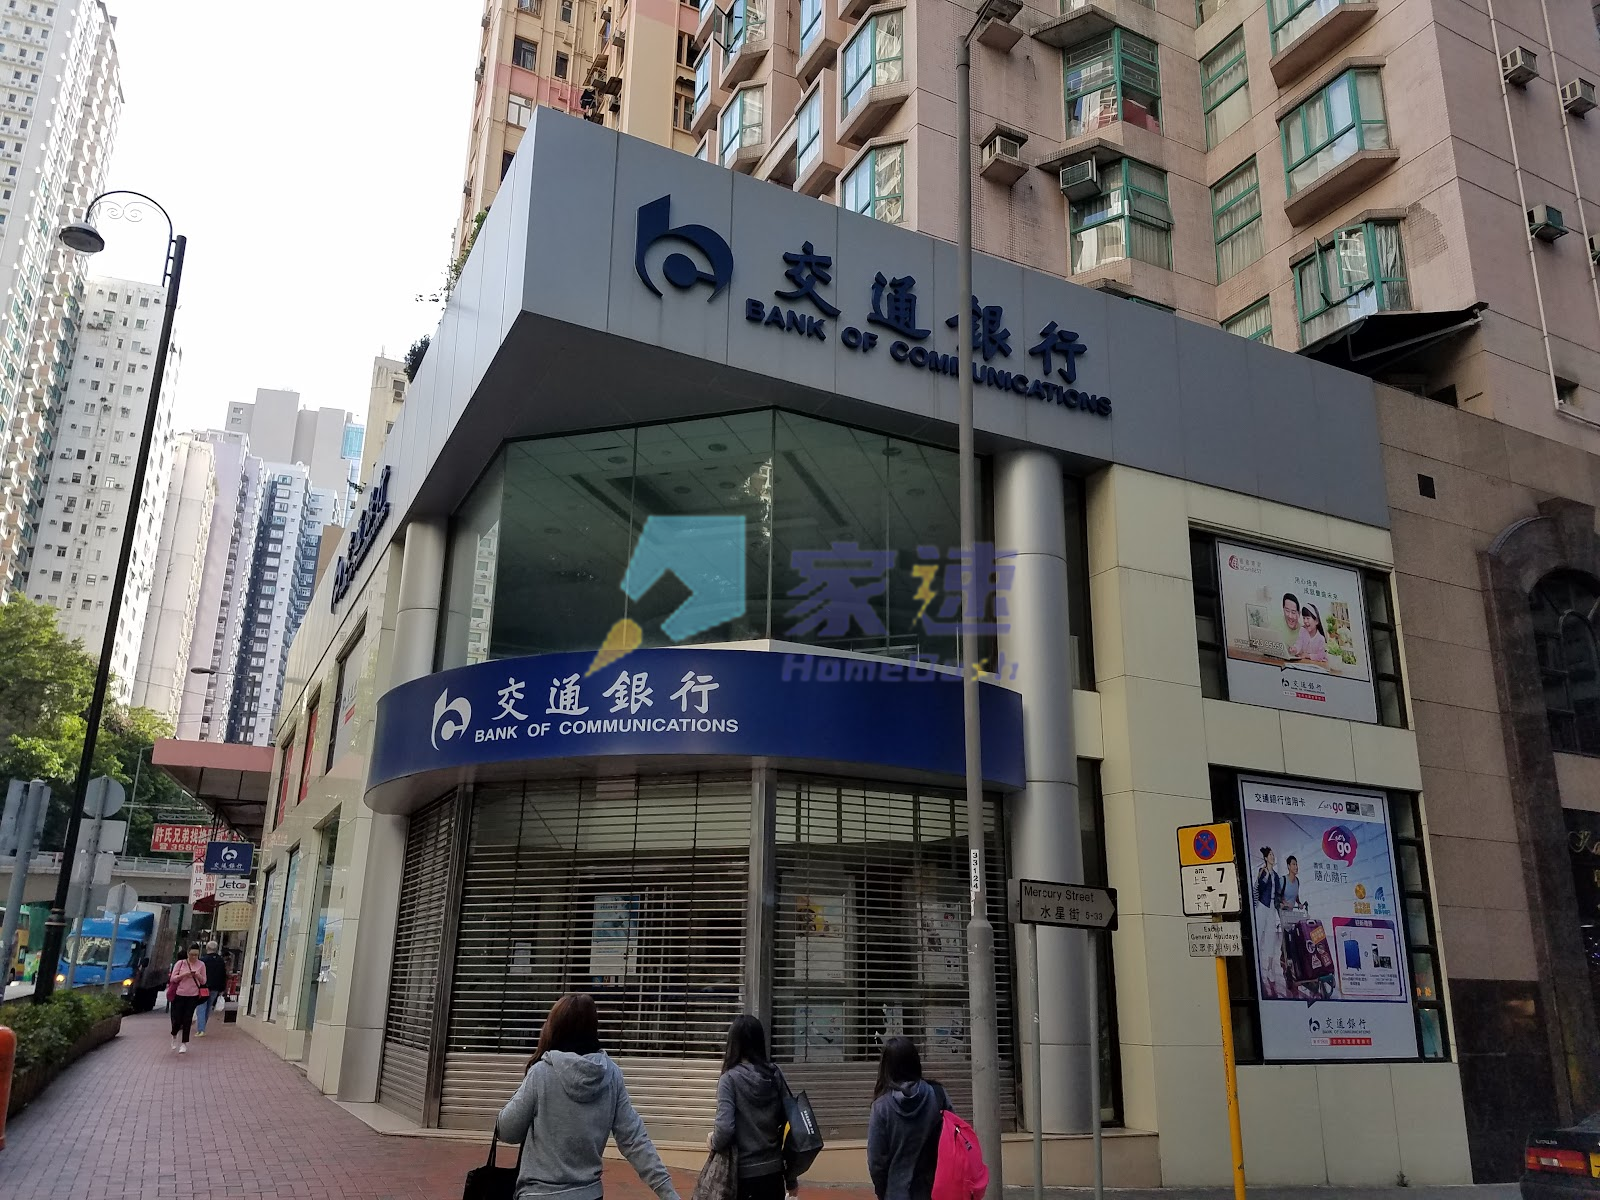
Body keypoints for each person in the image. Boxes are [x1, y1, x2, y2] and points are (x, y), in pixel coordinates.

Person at [494, 993, 680, 1200]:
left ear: (555, 1028)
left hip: (539, 1194)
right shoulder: (611, 1075)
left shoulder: (541, 1073)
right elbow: (635, 1140)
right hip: (589, 1194)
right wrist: (669, 1194)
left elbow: (507, 1131)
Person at [710, 1015, 796, 1200]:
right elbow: (791, 1124)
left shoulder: (729, 1079)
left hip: (743, 1176)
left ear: (733, 1043)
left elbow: (724, 1129)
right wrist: (791, 1179)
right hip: (774, 1173)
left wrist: (712, 1142)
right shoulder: (774, 1074)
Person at [866, 1037, 946, 1200]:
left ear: (886, 1067)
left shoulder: (881, 1107)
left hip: (897, 1192)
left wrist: (883, 1192)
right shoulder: (938, 1095)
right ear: (916, 1062)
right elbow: (955, 1139)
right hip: (937, 1190)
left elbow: (876, 1162)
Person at [1253, 848, 1286, 999]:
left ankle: (1270, 970)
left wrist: (1281, 904)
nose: (1273, 856)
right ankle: (1259, 969)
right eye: (1270, 855)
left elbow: (1278, 893)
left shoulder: (1276, 876)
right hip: (1262, 907)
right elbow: (1260, 887)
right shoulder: (1262, 872)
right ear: (1266, 858)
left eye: (1273, 854)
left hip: (1272, 907)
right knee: (1259, 937)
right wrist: (1266, 875)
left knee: (1271, 940)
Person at [168, 946, 207, 1053]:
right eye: (191, 955)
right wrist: (184, 975)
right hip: (179, 994)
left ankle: (184, 1043)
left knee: (187, 1019)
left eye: (196, 955)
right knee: (177, 1019)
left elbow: (204, 981)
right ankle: (174, 1035)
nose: (194, 957)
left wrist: (198, 976)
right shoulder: (180, 963)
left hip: (193, 995)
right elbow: (173, 978)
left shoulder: (201, 965)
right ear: (188, 954)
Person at [195, 941, 227, 1037]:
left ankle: (201, 1029)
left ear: (207, 948)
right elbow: (223, 975)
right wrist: (222, 988)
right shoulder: (220, 961)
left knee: (201, 1007)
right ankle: (202, 1026)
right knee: (208, 1008)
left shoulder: (203, 960)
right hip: (215, 988)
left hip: (203, 987)